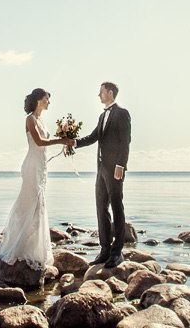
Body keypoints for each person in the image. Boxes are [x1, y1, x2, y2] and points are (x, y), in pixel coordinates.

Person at [0, 87, 71, 274]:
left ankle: (34, 249)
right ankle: (18, 248)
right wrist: (62, 141)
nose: (49, 102)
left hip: (41, 166)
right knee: (28, 203)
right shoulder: (30, 119)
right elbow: (39, 142)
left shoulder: (41, 120)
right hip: (31, 165)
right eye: (47, 98)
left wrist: (64, 139)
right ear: (39, 99)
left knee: (38, 206)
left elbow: (46, 140)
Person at [74, 81, 131, 268]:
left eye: (101, 92)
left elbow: (125, 142)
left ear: (110, 93)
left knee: (117, 208)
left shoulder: (122, 113)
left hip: (115, 169)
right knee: (101, 209)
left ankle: (117, 253)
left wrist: (120, 166)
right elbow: (93, 137)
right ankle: (105, 250)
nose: (99, 95)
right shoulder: (101, 116)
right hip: (100, 170)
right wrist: (72, 143)